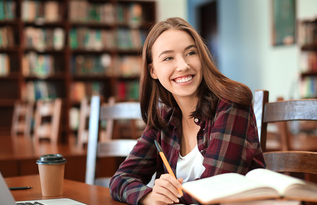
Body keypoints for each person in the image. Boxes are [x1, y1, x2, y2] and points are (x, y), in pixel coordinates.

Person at [109, 17, 265, 205]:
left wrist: (168, 195)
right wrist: (149, 197)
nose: (183, 65)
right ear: (153, 71)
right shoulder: (164, 118)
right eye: (168, 58)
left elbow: (217, 187)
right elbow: (120, 179)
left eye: (191, 53)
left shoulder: (231, 102)